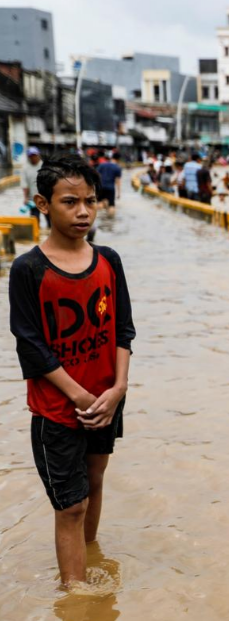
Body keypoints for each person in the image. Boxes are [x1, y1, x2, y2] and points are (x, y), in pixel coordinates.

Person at [8, 152, 135, 587]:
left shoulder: (108, 261)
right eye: (69, 202)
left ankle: (90, 557)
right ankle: (75, 593)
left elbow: (123, 329)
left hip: (106, 398)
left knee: (95, 481)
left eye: (91, 201)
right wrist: (80, 396)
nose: (83, 211)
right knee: (71, 505)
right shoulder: (28, 269)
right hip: (59, 410)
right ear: (42, 204)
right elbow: (32, 347)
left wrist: (117, 389)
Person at [21, 147, 48, 226]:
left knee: (50, 220)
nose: (33, 158)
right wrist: (25, 198)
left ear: (38, 155)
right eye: (31, 156)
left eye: (34, 155)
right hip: (33, 199)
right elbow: (24, 184)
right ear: (29, 157)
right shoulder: (25, 168)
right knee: (34, 221)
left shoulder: (44, 166)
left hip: (45, 198)